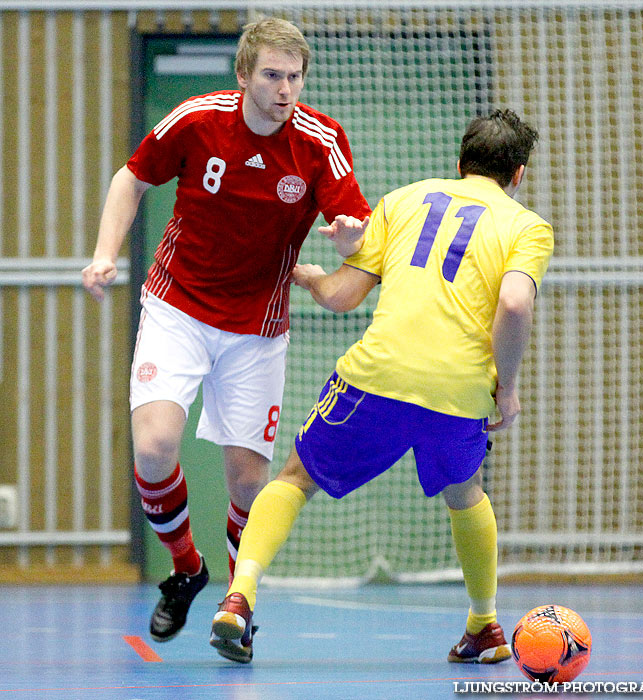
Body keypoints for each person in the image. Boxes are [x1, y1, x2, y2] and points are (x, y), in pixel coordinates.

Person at [209, 109, 554, 664]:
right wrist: (507, 388)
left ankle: (239, 595)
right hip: (459, 389)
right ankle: (485, 625)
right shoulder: (526, 225)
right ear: (518, 175)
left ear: (459, 162)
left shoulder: (403, 200)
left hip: (379, 374)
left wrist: (313, 278)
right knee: (466, 496)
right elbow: (514, 303)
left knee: (295, 479)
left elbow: (343, 295)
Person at [81, 16, 371, 663]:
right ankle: (186, 569)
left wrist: (350, 240)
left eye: (295, 77)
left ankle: (238, 605)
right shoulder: (197, 119)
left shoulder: (321, 142)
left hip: (257, 330)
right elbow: (131, 178)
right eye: (271, 75)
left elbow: (356, 233)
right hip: (176, 306)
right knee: (155, 447)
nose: (285, 89)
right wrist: (105, 254)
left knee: (247, 484)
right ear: (244, 76)